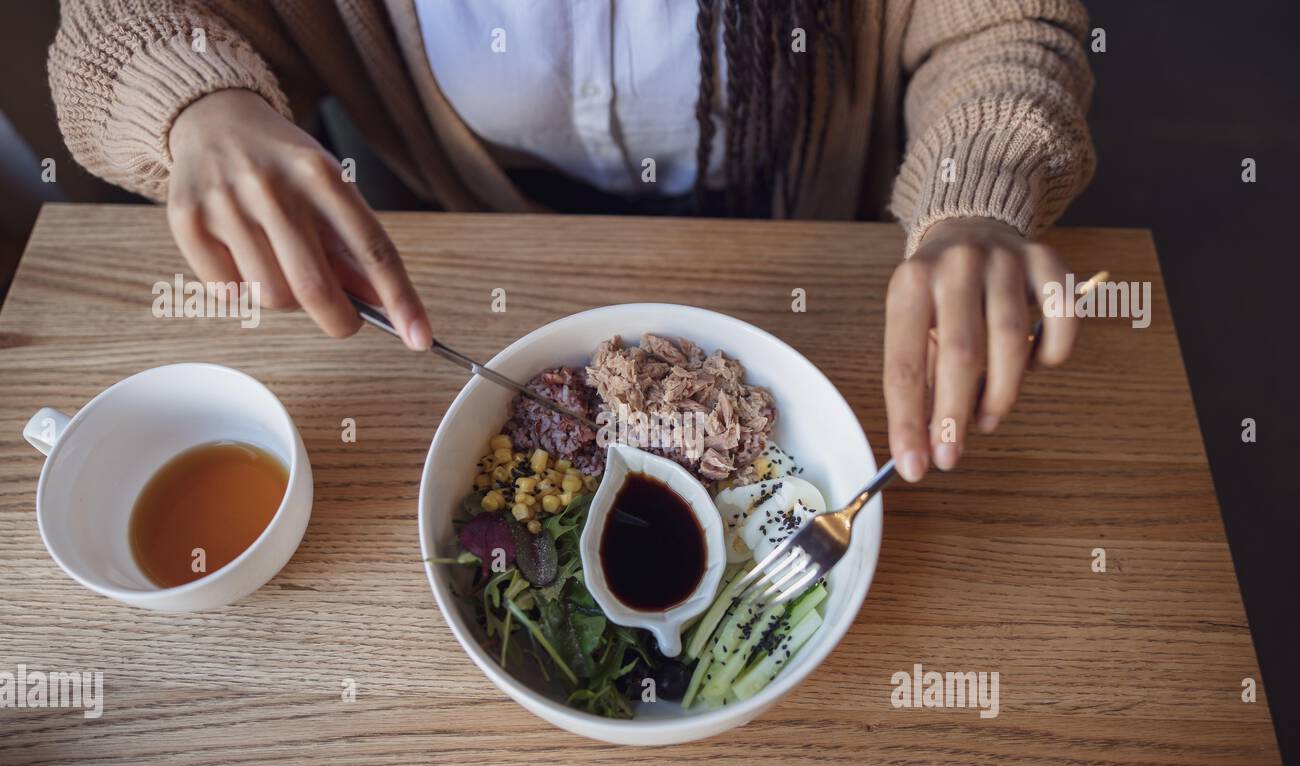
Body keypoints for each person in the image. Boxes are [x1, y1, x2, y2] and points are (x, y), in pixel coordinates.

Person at [47, 0, 1095, 483]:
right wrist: (199, 107)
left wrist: (971, 200)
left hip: (808, 249)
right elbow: (118, 26)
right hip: (479, 267)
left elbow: (1002, 29)